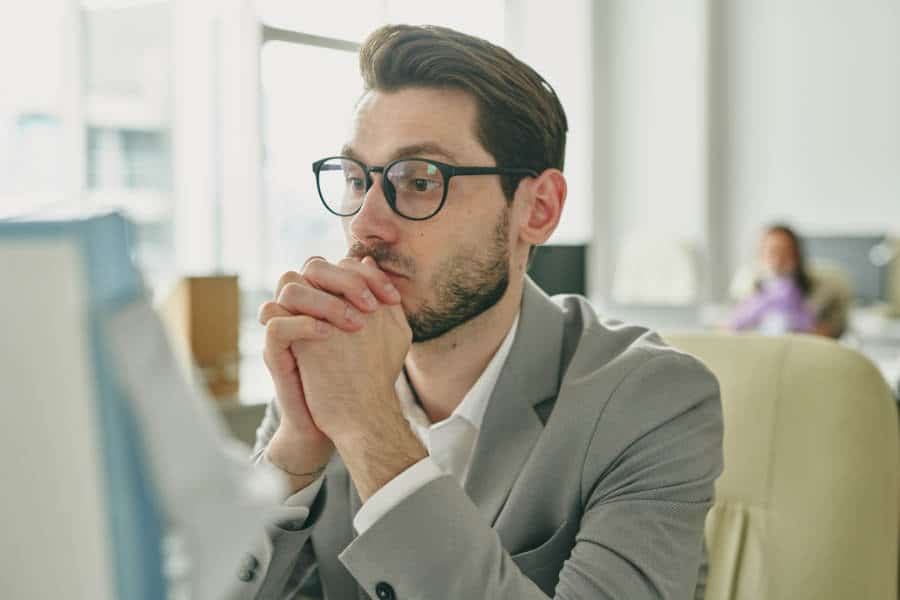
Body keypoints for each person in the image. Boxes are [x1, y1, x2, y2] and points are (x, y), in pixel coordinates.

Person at [232, 24, 723, 599]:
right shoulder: (329, 370)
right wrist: (296, 450)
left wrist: (371, 430)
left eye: (419, 181)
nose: (365, 223)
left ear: (538, 209)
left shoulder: (654, 400)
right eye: (356, 179)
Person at [730, 224, 846, 336]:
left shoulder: (823, 291)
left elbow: (831, 332)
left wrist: (800, 322)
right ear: (760, 255)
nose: (778, 260)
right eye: (772, 252)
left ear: (796, 255)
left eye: (784, 252)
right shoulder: (747, 290)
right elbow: (730, 328)